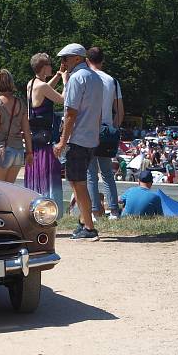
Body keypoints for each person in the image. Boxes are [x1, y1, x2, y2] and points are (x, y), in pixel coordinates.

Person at [53, 43, 103, 241]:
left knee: (78, 183)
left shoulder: (76, 78)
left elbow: (71, 114)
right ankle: (83, 222)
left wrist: (62, 142)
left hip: (77, 138)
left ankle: (89, 227)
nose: (63, 63)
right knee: (79, 183)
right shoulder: (96, 78)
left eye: (65, 58)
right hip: (90, 138)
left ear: (76, 58)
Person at [85, 46, 123, 220]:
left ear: (87, 60)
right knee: (107, 173)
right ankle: (114, 210)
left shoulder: (85, 78)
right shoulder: (112, 81)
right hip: (106, 128)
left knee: (91, 173)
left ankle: (94, 212)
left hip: (89, 128)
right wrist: (113, 128)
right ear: (103, 60)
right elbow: (120, 111)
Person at [24, 52, 64, 214]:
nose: (51, 66)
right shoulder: (43, 86)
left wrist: (58, 76)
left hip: (35, 139)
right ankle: (50, 209)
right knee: (47, 175)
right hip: (45, 139)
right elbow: (62, 99)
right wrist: (67, 81)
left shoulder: (32, 83)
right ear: (43, 67)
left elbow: (47, 89)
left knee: (36, 175)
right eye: (49, 64)